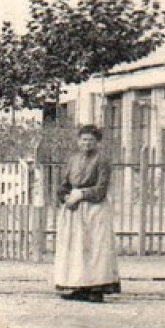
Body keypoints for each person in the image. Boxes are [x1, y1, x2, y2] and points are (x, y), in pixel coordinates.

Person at [53, 124, 121, 302]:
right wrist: (64, 195)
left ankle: (95, 288)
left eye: (91, 140)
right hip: (75, 210)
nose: (87, 144)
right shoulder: (73, 159)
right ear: (78, 141)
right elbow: (65, 182)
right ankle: (78, 286)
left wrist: (81, 194)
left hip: (94, 209)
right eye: (83, 140)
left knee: (94, 248)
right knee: (77, 249)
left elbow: (101, 189)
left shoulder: (102, 160)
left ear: (97, 142)